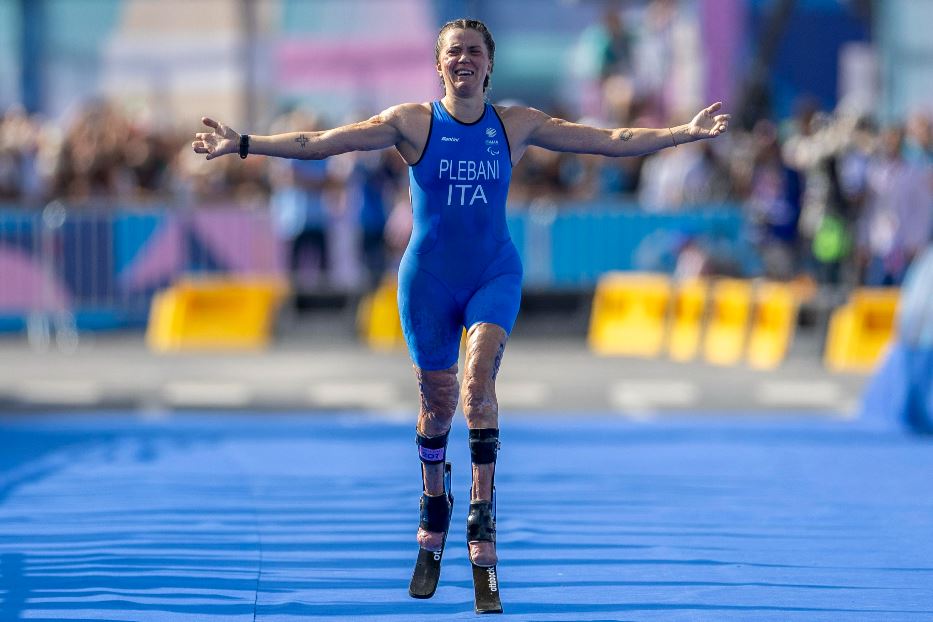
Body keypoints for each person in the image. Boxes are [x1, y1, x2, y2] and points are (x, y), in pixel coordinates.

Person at [192, 17, 729, 607]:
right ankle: (433, 504)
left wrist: (684, 132)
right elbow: (320, 144)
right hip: (428, 281)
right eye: (454, 52)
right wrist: (242, 145)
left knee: (477, 389)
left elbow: (609, 140)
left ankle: (482, 517)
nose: (465, 60)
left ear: (489, 64)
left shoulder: (515, 124)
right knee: (437, 405)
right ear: (439, 64)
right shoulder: (413, 122)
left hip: (493, 273)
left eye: (475, 51)